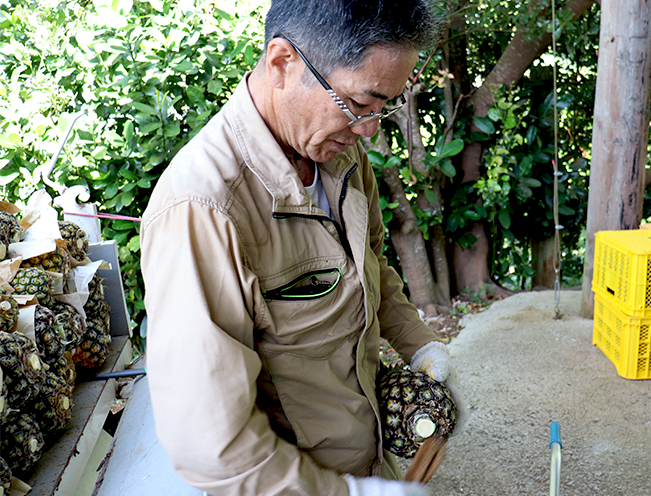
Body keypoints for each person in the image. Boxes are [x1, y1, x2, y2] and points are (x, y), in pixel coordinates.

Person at [140, 1, 465, 495]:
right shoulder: (201, 208)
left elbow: (369, 265)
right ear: (281, 63)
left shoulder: (342, 154)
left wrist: (417, 341)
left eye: (386, 107)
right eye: (359, 104)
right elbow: (214, 447)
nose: (369, 130)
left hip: (368, 462)